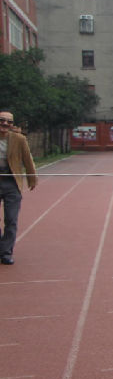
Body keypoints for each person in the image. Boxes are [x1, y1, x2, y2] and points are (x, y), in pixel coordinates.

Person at [0, 110, 37, 265]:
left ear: (12, 124)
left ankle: (6, 253)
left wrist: (32, 179)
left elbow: (27, 159)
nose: (5, 123)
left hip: (11, 182)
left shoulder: (19, 139)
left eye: (9, 121)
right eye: (2, 120)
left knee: (11, 219)